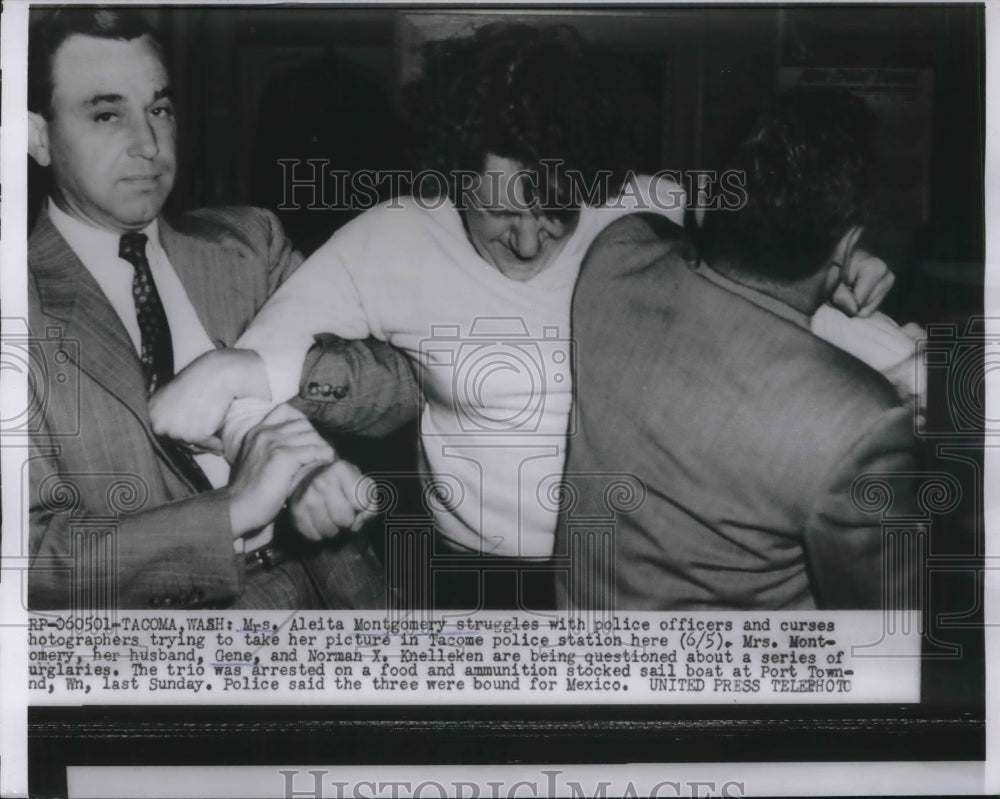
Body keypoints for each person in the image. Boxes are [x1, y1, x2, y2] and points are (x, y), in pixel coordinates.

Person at [150, 25, 896, 610]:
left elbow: (769, 288)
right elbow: (245, 368)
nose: (531, 239)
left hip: (614, 584)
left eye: (556, 211)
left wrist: (844, 278)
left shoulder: (640, 210)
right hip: (465, 573)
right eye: (501, 213)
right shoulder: (394, 237)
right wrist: (301, 466)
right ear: (453, 175)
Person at [25, 8, 408, 610]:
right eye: (106, 114)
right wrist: (233, 510)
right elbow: (31, 561)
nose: (148, 144)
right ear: (37, 137)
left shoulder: (249, 243)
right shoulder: (15, 305)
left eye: (158, 109)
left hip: (345, 600)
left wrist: (259, 376)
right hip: (167, 660)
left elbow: (404, 375)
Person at [555, 87, 923, 610]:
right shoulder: (864, 419)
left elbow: (661, 228)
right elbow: (894, 625)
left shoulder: (614, 264)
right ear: (845, 246)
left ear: (708, 202)